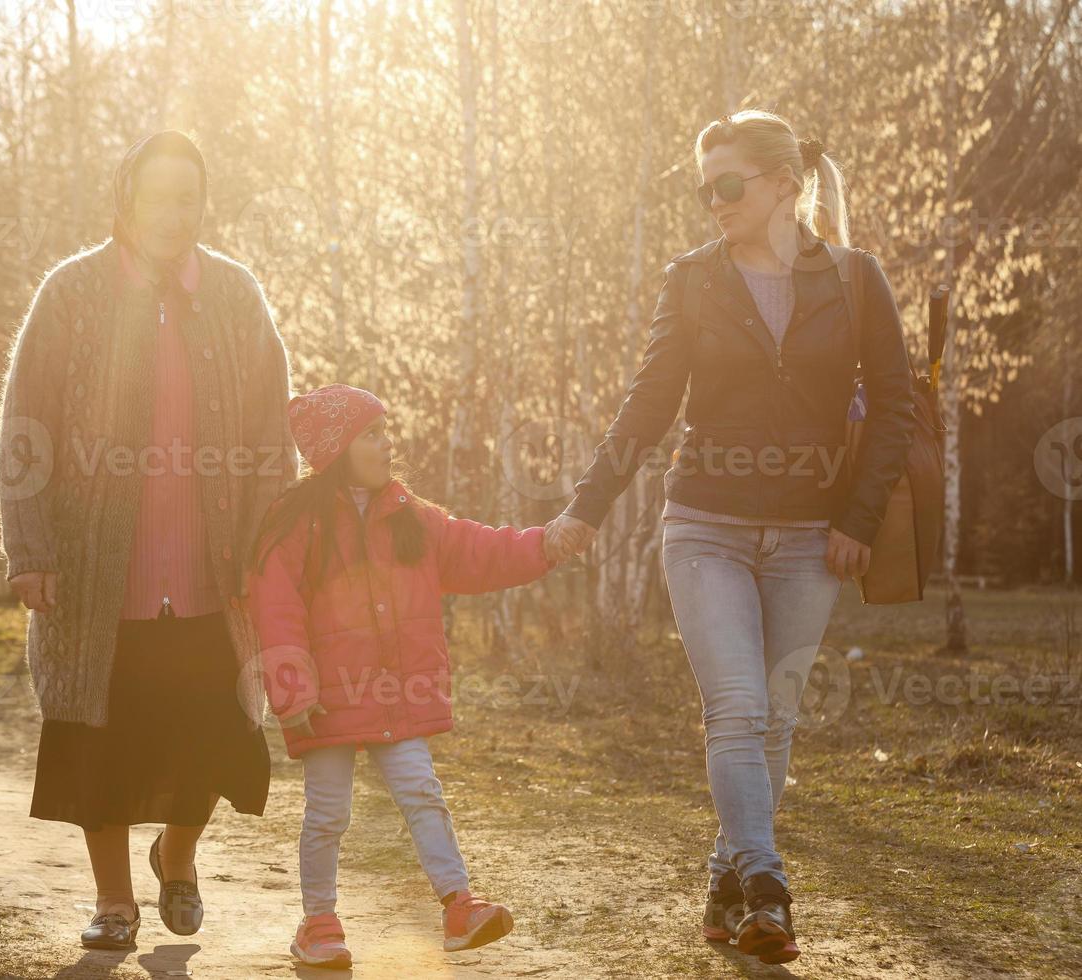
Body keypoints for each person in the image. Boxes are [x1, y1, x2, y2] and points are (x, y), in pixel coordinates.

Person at [545, 110, 916, 965]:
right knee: (738, 709)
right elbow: (649, 403)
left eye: (727, 183)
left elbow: (895, 406)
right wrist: (587, 507)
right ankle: (768, 892)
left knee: (775, 719)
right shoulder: (693, 280)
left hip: (810, 540)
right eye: (701, 185)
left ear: (784, 185)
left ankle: (722, 876)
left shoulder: (857, 279)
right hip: (705, 525)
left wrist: (858, 519)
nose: (711, 201)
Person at [0, 130, 298, 950]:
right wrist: (29, 550)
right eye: (160, 196)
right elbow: (26, 427)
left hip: (212, 568)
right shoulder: (72, 293)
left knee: (212, 735)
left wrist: (270, 548)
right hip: (96, 575)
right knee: (101, 740)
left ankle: (179, 851)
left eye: (189, 197)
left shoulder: (236, 294)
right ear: (126, 200)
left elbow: (273, 431)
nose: (176, 213)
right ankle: (114, 901)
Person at [246, 383, 566, 968]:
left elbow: (480, 550)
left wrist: (546, 544)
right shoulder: (298, 523)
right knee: (328, 812)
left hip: (396, 694)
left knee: (422, 792)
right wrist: (292, 690)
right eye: (373, 433)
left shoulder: (410, 517)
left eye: (385, 430)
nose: (388, 444)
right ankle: (318, 922)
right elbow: (275, 605)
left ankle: (458, 906)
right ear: (339, 448)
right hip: (325, 701)